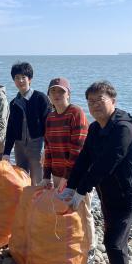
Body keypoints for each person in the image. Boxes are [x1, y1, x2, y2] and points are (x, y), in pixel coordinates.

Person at [62, 81, 132, 264]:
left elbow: (106, 163)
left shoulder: (123, 128)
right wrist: (70, 186)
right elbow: (84, 159)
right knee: (113, 237)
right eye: (91, 101)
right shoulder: (96, 128)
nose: (95, 105)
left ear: (113, 101)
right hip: (108, 193)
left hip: (126, 194)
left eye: (100, 100)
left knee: (113, 241)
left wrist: (81, 191)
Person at [41, 78, 95, 251]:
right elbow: (48, 148)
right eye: (53, 91)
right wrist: (46, 176)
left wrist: (67, 178)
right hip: (58, 175)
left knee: (83, 212)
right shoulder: (50, 118)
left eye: (61, 91)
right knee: (63, 211)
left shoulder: (76, 113)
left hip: (78, 175)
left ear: (68, 94)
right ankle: (69, 248)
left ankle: (90, 248)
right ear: (49, 95)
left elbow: (77, 149)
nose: (57, 95)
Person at [2, 62, 50, 185]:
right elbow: (11, 129)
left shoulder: (40, 98)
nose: (20, 81)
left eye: (23, 77)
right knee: (21, 182)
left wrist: (47, 148)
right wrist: (7, 152)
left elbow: (48, 125)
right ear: (14, 81)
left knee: (38, 183)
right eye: (17, 78)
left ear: (30, 79)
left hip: (37, 146)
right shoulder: (13, 103)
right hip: (19, 148)